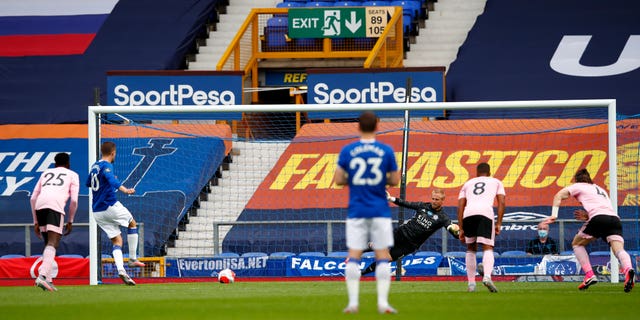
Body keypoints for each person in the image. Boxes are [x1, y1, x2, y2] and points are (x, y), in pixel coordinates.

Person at [334, 111, 400, 314]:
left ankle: (353, 303)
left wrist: (353, 179)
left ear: (358, 127)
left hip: (357, 210)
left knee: (354, 254)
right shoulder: (386, 150)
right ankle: (383, 303)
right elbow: (395, 180)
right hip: (379, 209)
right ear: (377, 126)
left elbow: (338, 179)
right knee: (382, 255)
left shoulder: (348, 150)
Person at [544, 168, 634, 292]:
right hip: (614, 219)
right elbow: (603, 209)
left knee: (577, 244)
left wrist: (554, 215)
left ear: (577, 179)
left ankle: (589, 275)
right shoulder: (600, 189)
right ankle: (628, 269)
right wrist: (588, 216)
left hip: (599, 218)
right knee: (618, 250)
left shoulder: (578, 186)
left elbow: (558, 195)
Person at [360, 189, 459, 275]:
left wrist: (455, 231)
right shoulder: (423, 206)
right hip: (401, 233)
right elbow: (406, 203)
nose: (434, 201)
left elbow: (451, 229)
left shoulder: (443, 218)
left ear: (442, 201)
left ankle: (361, 273)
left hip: (410, 245)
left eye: (437, 200)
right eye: (433, 198)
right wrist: (391, 198)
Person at [86, 141, 145, 286]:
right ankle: (132, 259)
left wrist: (105, 184)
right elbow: (111, 179)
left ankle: (121, 270)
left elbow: (89, 183)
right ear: (113, 153)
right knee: (132, 223)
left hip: (97, 212)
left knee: (117, 241)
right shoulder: (107, 166)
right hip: (109, 205)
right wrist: (125, 190)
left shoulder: (95, 166)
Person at [30, 152, 79, 291]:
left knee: (47, 244)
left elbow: (33, 198)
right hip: (55, 206)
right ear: (68, 164)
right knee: (53, 242)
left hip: (40, 205)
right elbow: (74, 200)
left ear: (54, 164)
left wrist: (35, 222)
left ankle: (48, 281)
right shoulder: (72, 175)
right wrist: (70, 220)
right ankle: (42, 276)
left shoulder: (46, 172)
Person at [457, 162, 505, 293]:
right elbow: (502, 202)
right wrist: (499, 223)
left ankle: (471, 284)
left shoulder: (468, 183)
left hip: (468, 214)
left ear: (476, 173)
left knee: (471, 248)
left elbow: (460, 205)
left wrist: (461, 228)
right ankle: (487, 277)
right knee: (487, 247)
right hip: (485, 213)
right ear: (489, 173)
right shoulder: (496, 182)